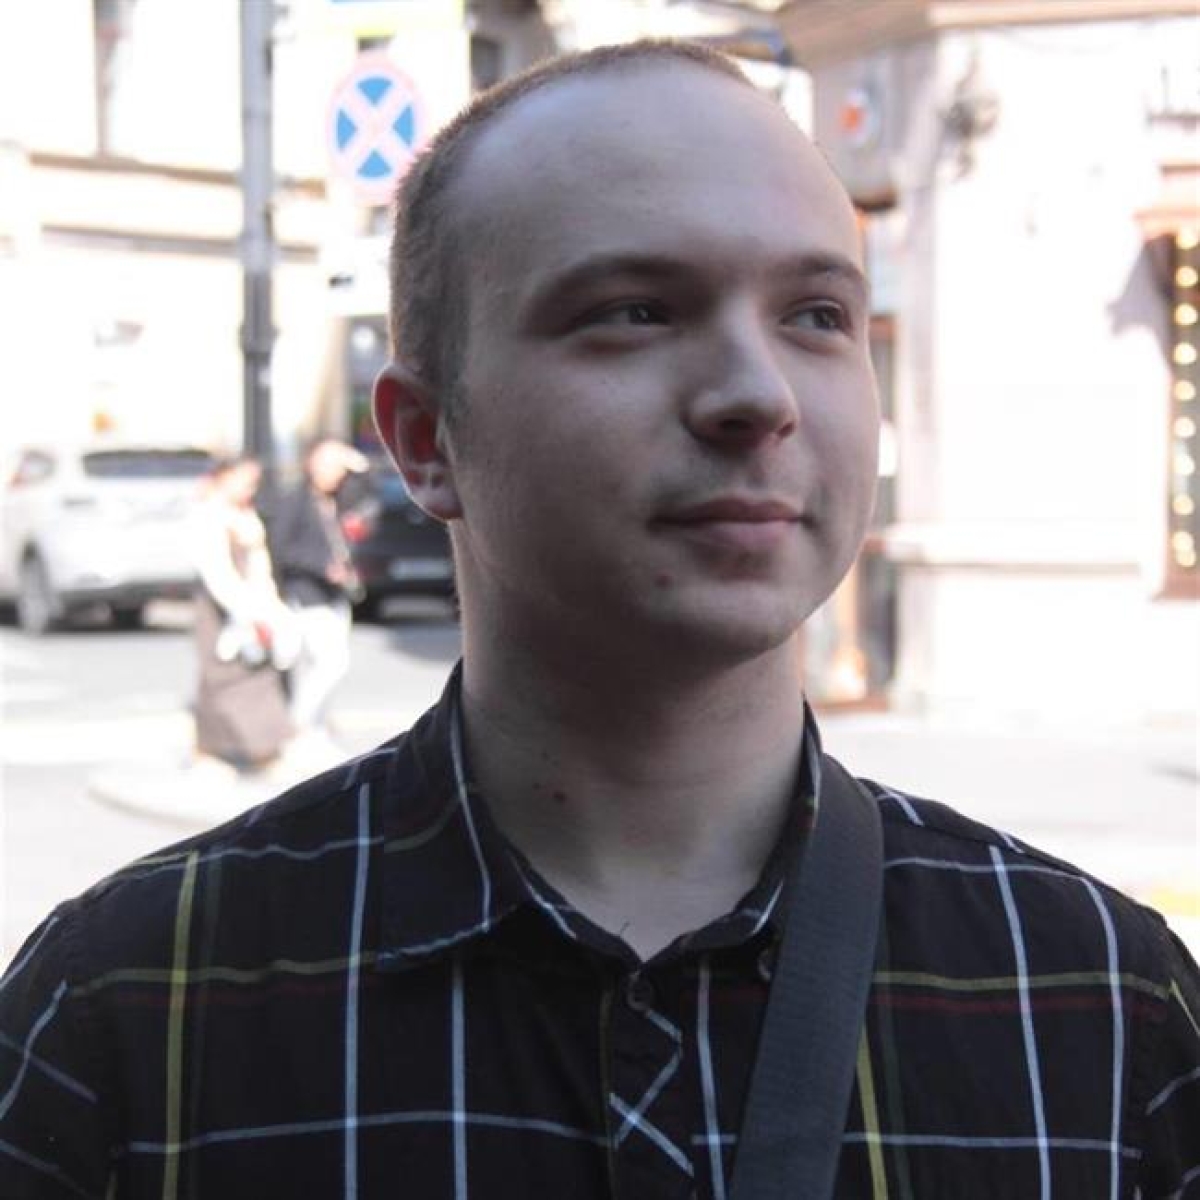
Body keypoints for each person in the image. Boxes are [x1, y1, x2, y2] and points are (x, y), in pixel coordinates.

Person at [1, 40, 1197, 1200]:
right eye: (635, 311)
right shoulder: (128, 1011)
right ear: (425, 439)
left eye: (817, 314)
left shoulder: (1099, 1002)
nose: (758, 394)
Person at [190, 454, 296, 774]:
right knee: (221, 679)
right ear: (225, 477)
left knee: (257, 677)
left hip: (253, 604)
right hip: (222, 608)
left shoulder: (244, 514)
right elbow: (217, 573)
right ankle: (213, 751)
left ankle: (262, 750)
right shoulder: (209, 514)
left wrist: (269, 607)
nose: (251, 489)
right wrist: (247, 610)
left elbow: (259, 566)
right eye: (246, 481)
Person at [265, 436, 368, 745]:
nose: (335, 473)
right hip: (308, 592)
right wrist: (323, 567)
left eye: (338, 467)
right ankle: (298, 723)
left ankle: (316, 725)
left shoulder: (337, 498)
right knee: (332, 662)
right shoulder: (294, 500)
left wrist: (358, 465)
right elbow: (281, 549)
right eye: (329, 465)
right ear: (311, 464)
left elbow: (368, 491)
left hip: (336, 593)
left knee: (325, 661)